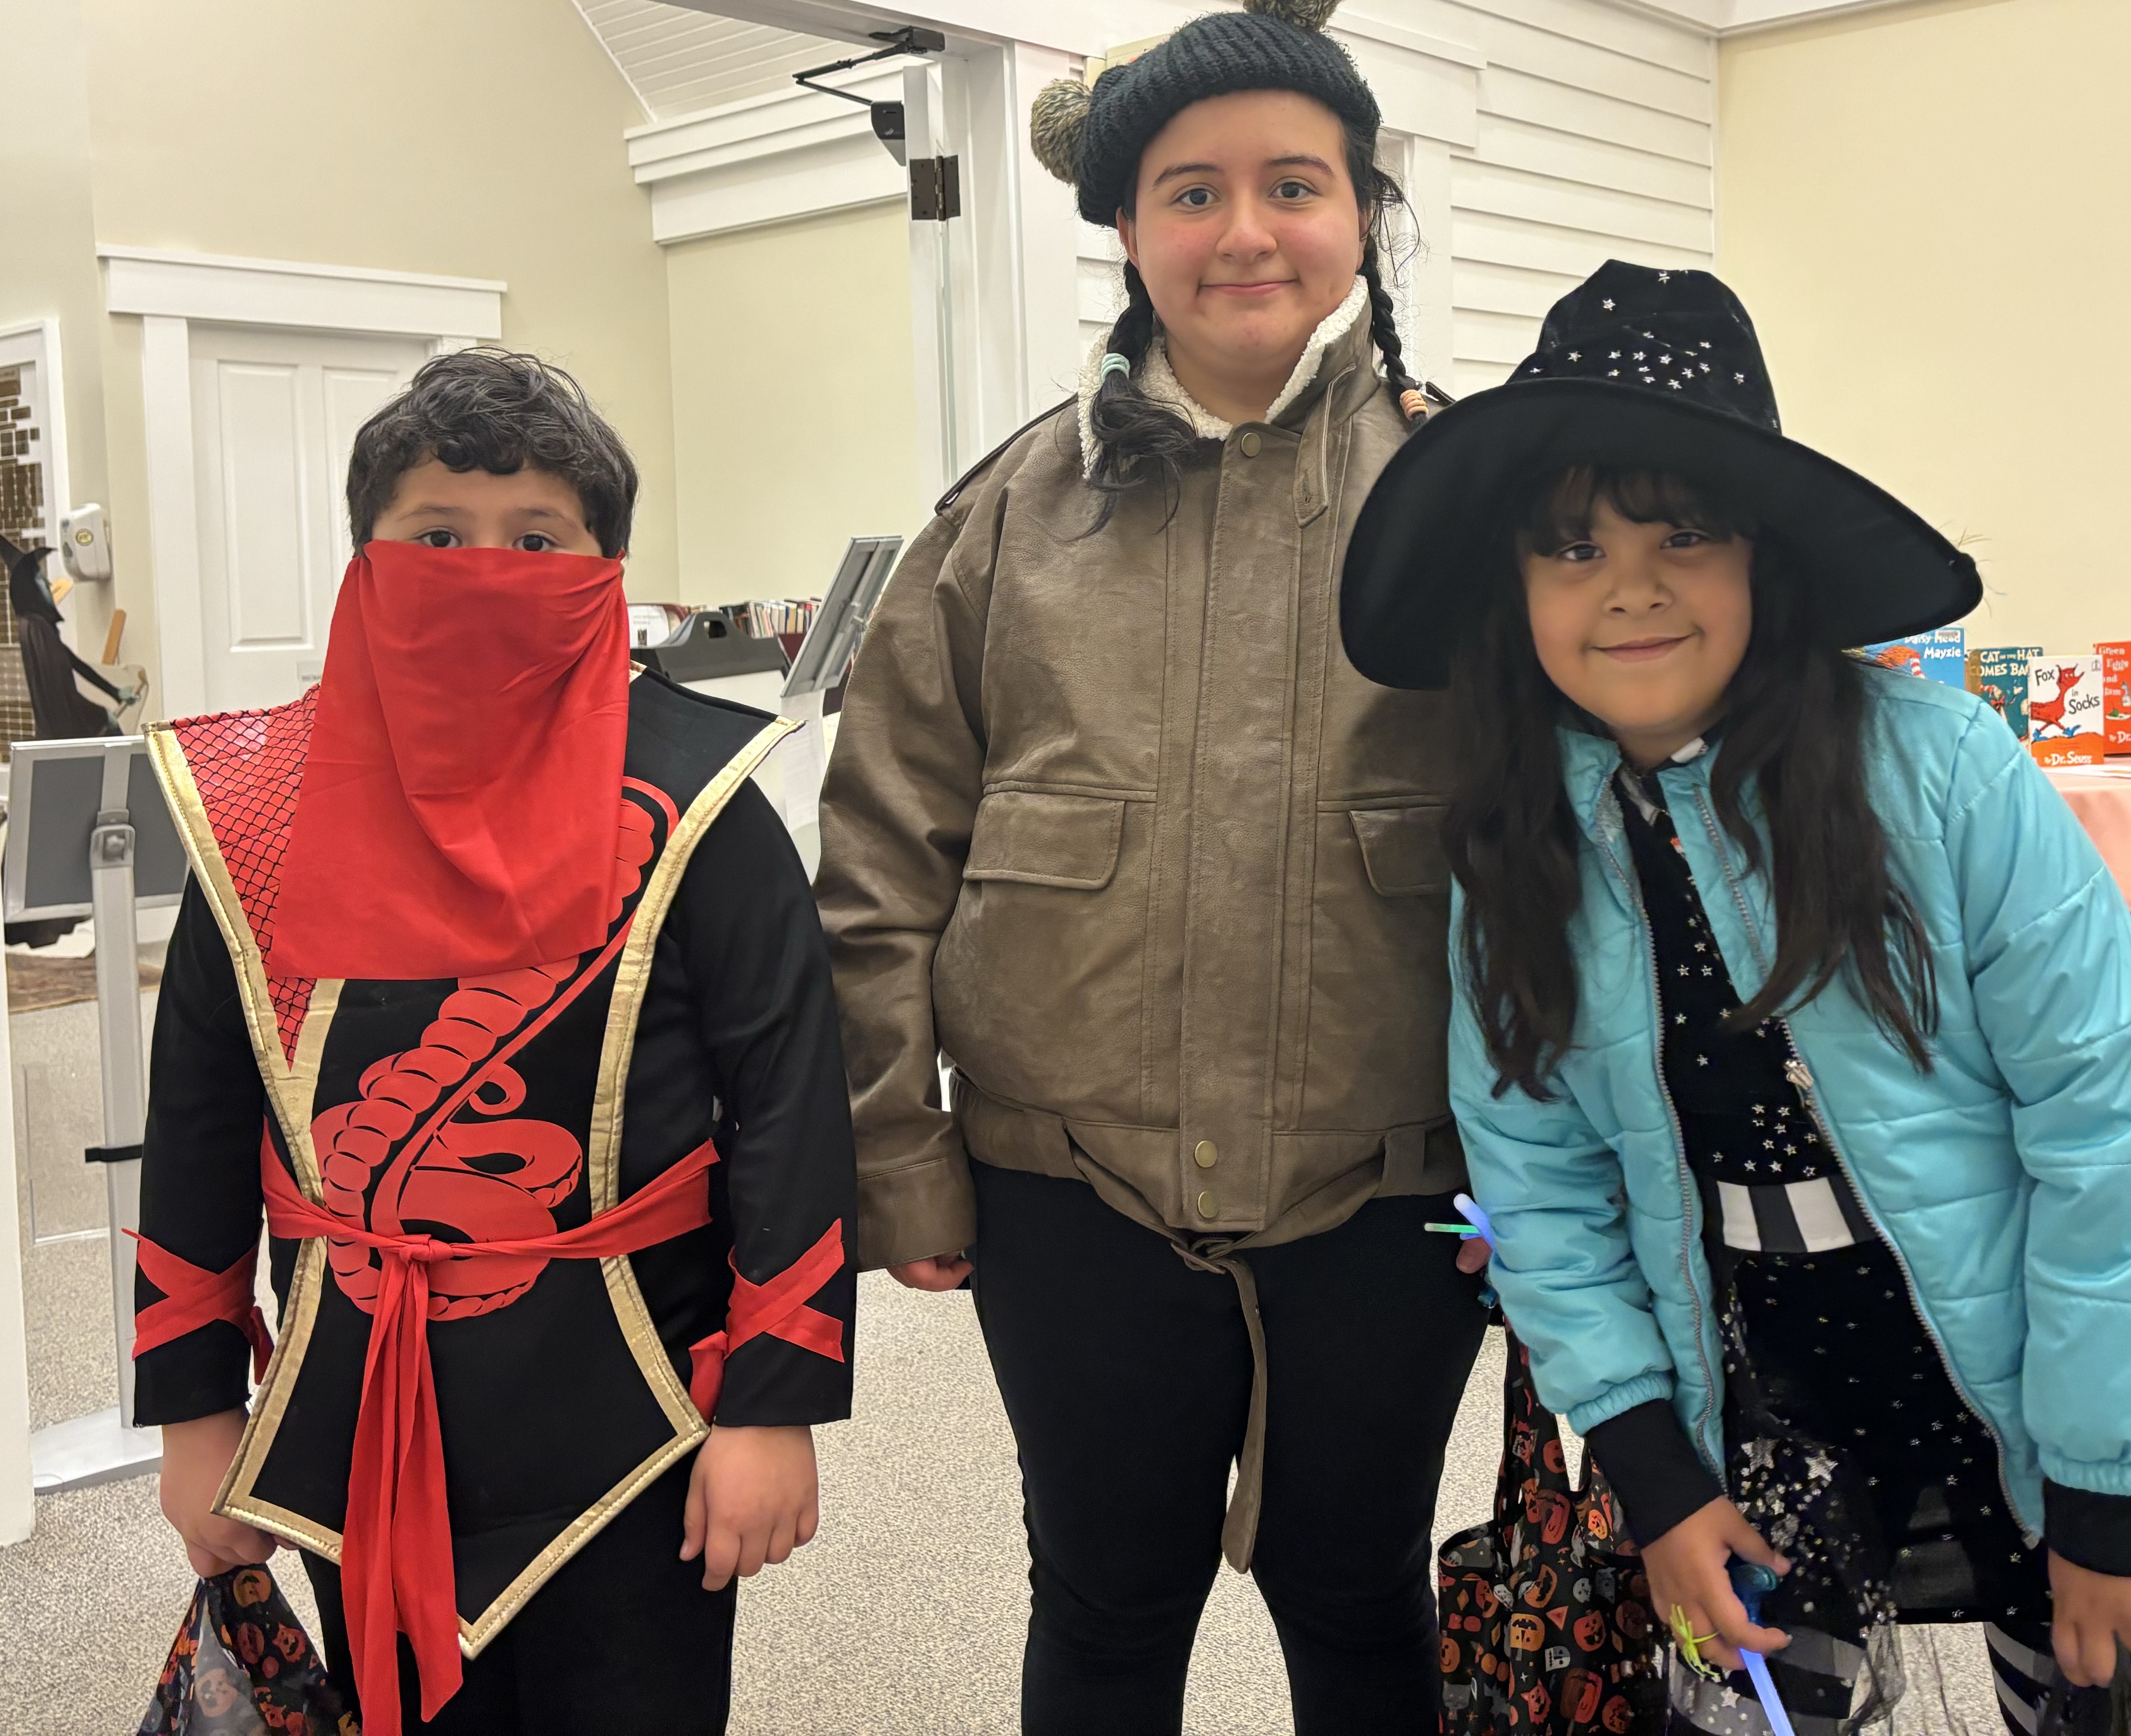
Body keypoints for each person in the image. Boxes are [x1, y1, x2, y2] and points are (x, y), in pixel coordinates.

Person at [1339, 261, 2131, 1733]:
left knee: (2088, 1688)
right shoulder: (1517, 841)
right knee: (1767, 1697)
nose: (1630, 586)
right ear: (1515, 590)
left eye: (1682, 535)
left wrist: (2105, 1487)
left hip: (2017, 1366)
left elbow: (2108, 1127)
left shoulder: (1944, 776)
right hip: (1752, 1387)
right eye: (1572, 548)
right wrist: (1653, 1471)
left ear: (1764, 558)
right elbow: (1539, 1177)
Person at [815, 3, 1489, 1730]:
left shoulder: (1468, 499)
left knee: (1358, 1588)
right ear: (1126, 228)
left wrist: (1565, 1193)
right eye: (1192, 192)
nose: (1245, 230)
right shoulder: (1002, 518)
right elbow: (882, 855)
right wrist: (899, 1155)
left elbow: (1564, 866)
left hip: (1392, 1193)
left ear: (1362, 214)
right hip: (1067, 1194)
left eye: (1294, 185)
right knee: (1105, 1600)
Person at [131, 350, 857, 1735]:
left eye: (537, 541)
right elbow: (200, 1125)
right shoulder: (259, 813)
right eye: (436, 535)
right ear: (365, 557)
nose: (484, 573)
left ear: (607, 568)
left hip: (641, 1418)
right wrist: (194, 1409)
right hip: (354, 1408)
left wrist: (774, 1404)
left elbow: (790, 1109)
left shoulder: (702, 798)